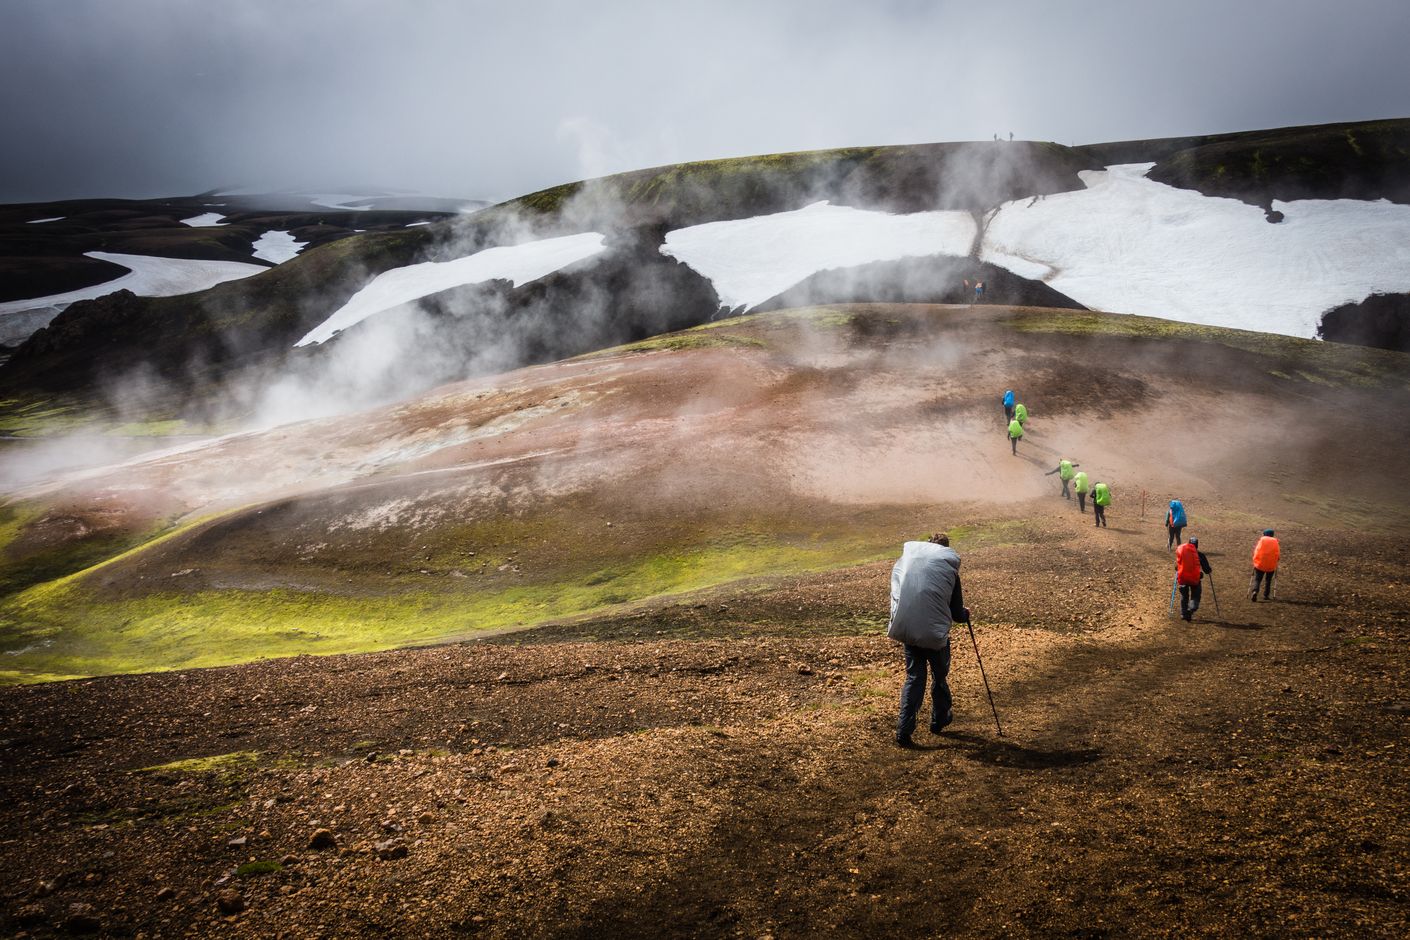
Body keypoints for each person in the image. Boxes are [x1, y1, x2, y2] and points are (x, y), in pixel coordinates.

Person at [888, 533, 969, 747]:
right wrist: (965, 614)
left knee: (914, 677)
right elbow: (957, 614)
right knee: (939, 675)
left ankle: (904, 730)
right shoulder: (948, 569)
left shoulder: (910, 564)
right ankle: (939, 720)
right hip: (934, 635)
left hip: (909, 630)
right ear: (945, 550)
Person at [1175, 537, 1212, 621]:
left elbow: (1176, 566)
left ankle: (1183, 614)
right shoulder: (1200, 555)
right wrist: (1208, 571)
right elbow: (1207, 570)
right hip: (1195, 579)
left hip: (1183, 578)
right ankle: (1191, 610)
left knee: (1184, 596)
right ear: (1197, 545)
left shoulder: (1182, 553)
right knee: (1196, 595)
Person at [1250, 529, 1280, 601]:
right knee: (1268, 580)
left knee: (1257, 579)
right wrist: (1277, 560)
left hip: (1260, 564)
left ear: (1265, 534)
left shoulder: (1262, 540)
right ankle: (1266, 595)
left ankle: (1255, 591)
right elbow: (1277, 554)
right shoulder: (1275, 541)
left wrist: (1255, 561)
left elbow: (1256, 551)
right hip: (1271, 565)